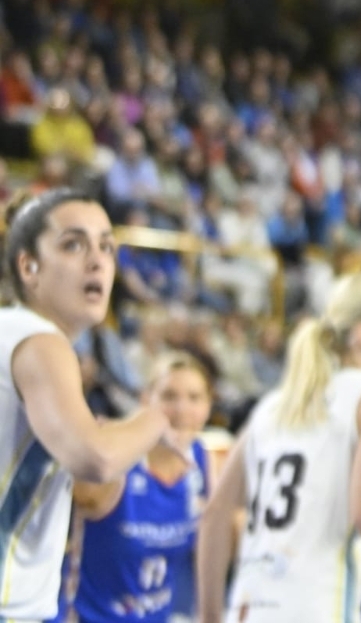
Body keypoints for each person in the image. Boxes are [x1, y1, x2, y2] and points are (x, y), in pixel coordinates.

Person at [194, 272, 361, 623]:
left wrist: (211, 616)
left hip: (247, 610)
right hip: (316, 608)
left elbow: (214, 515)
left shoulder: (275, 405)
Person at [0, 189, 187, 622]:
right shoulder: (37, 338)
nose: (98, 260)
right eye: (73, 244)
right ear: (28, 266)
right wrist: (155, 420)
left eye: (106, 245)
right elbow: (96, 458)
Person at [60, 353, 213, 623]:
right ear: (146, 400)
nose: (182, 410)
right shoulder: (115, 460)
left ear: (209, 406)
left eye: (194, 398)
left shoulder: (203, 460)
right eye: (168, 396)